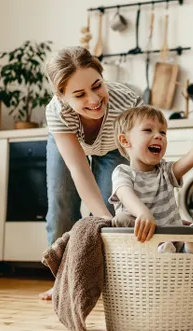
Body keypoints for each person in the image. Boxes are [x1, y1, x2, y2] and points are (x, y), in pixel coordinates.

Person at [40, 46, 143, 300]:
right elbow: (78, 169)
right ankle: (63, 281)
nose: (94, 99)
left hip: (113, 147)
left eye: (97, 86)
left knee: (113, 207)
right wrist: (102, 218)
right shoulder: (57, 112)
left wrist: (114, 217)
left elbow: (141, 158)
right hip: (70, 141)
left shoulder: (128, 102)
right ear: (62, 97)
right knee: (61, 203)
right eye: (80, 94)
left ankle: (108, 283)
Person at [109, 105, 193, 252]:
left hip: (175, 238)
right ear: (125, 141)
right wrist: (142, 213)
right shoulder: (122, 172)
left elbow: (187, 161)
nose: (159, 136)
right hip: (144, 242)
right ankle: (167, 248)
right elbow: (125, 195)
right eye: (148, 130)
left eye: (162, 132)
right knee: (121, 220)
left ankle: (188, 247)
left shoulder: (165, 171)